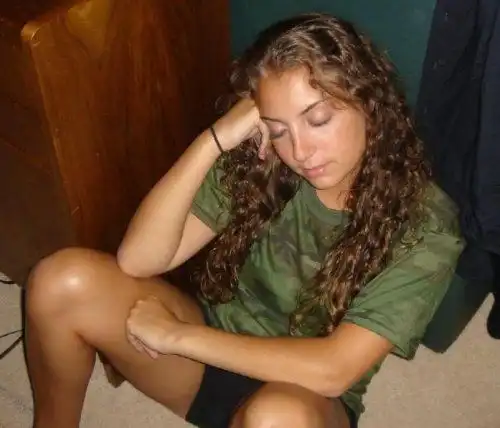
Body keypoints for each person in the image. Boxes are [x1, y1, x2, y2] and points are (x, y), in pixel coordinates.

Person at [25, 13, 464, 428]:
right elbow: (139, 260)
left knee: (274, 418)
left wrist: (176, 337)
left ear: (370, 103)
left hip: (303, 392)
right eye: (278, 128)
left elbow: (334, 370)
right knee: (59, 281)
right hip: (204, 356)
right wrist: (214, 140)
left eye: (318, 119)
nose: (300, 152)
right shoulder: (264, 160)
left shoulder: (424, 224)